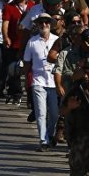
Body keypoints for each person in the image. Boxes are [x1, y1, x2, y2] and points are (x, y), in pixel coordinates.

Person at [22, 13, 59, 151]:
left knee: (54, 114)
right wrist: (27, 78)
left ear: (50, 24)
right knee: (41, 112)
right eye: (41, 23)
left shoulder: (57, 40)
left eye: (46, 22)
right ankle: (43, 140)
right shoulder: (32, 42)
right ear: (37, 25)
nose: (44, 25)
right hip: (38, 81)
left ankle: (49, 135)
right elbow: (26, 62)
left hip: (54, 82)